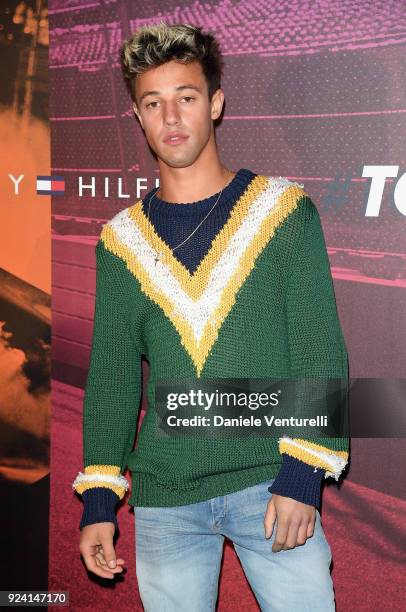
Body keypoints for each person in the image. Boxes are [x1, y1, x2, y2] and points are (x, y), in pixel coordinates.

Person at [72, 21, 349, 611]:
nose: (171, 118)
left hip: (272, 484)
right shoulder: (120, 240)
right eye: (154, 103)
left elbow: (318, 351)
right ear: (139, 117)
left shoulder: (285, 211)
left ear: (216, 103)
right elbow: (114, 378)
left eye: (187, 97)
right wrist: (100, 501)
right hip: (165, 496)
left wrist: (303, 476)